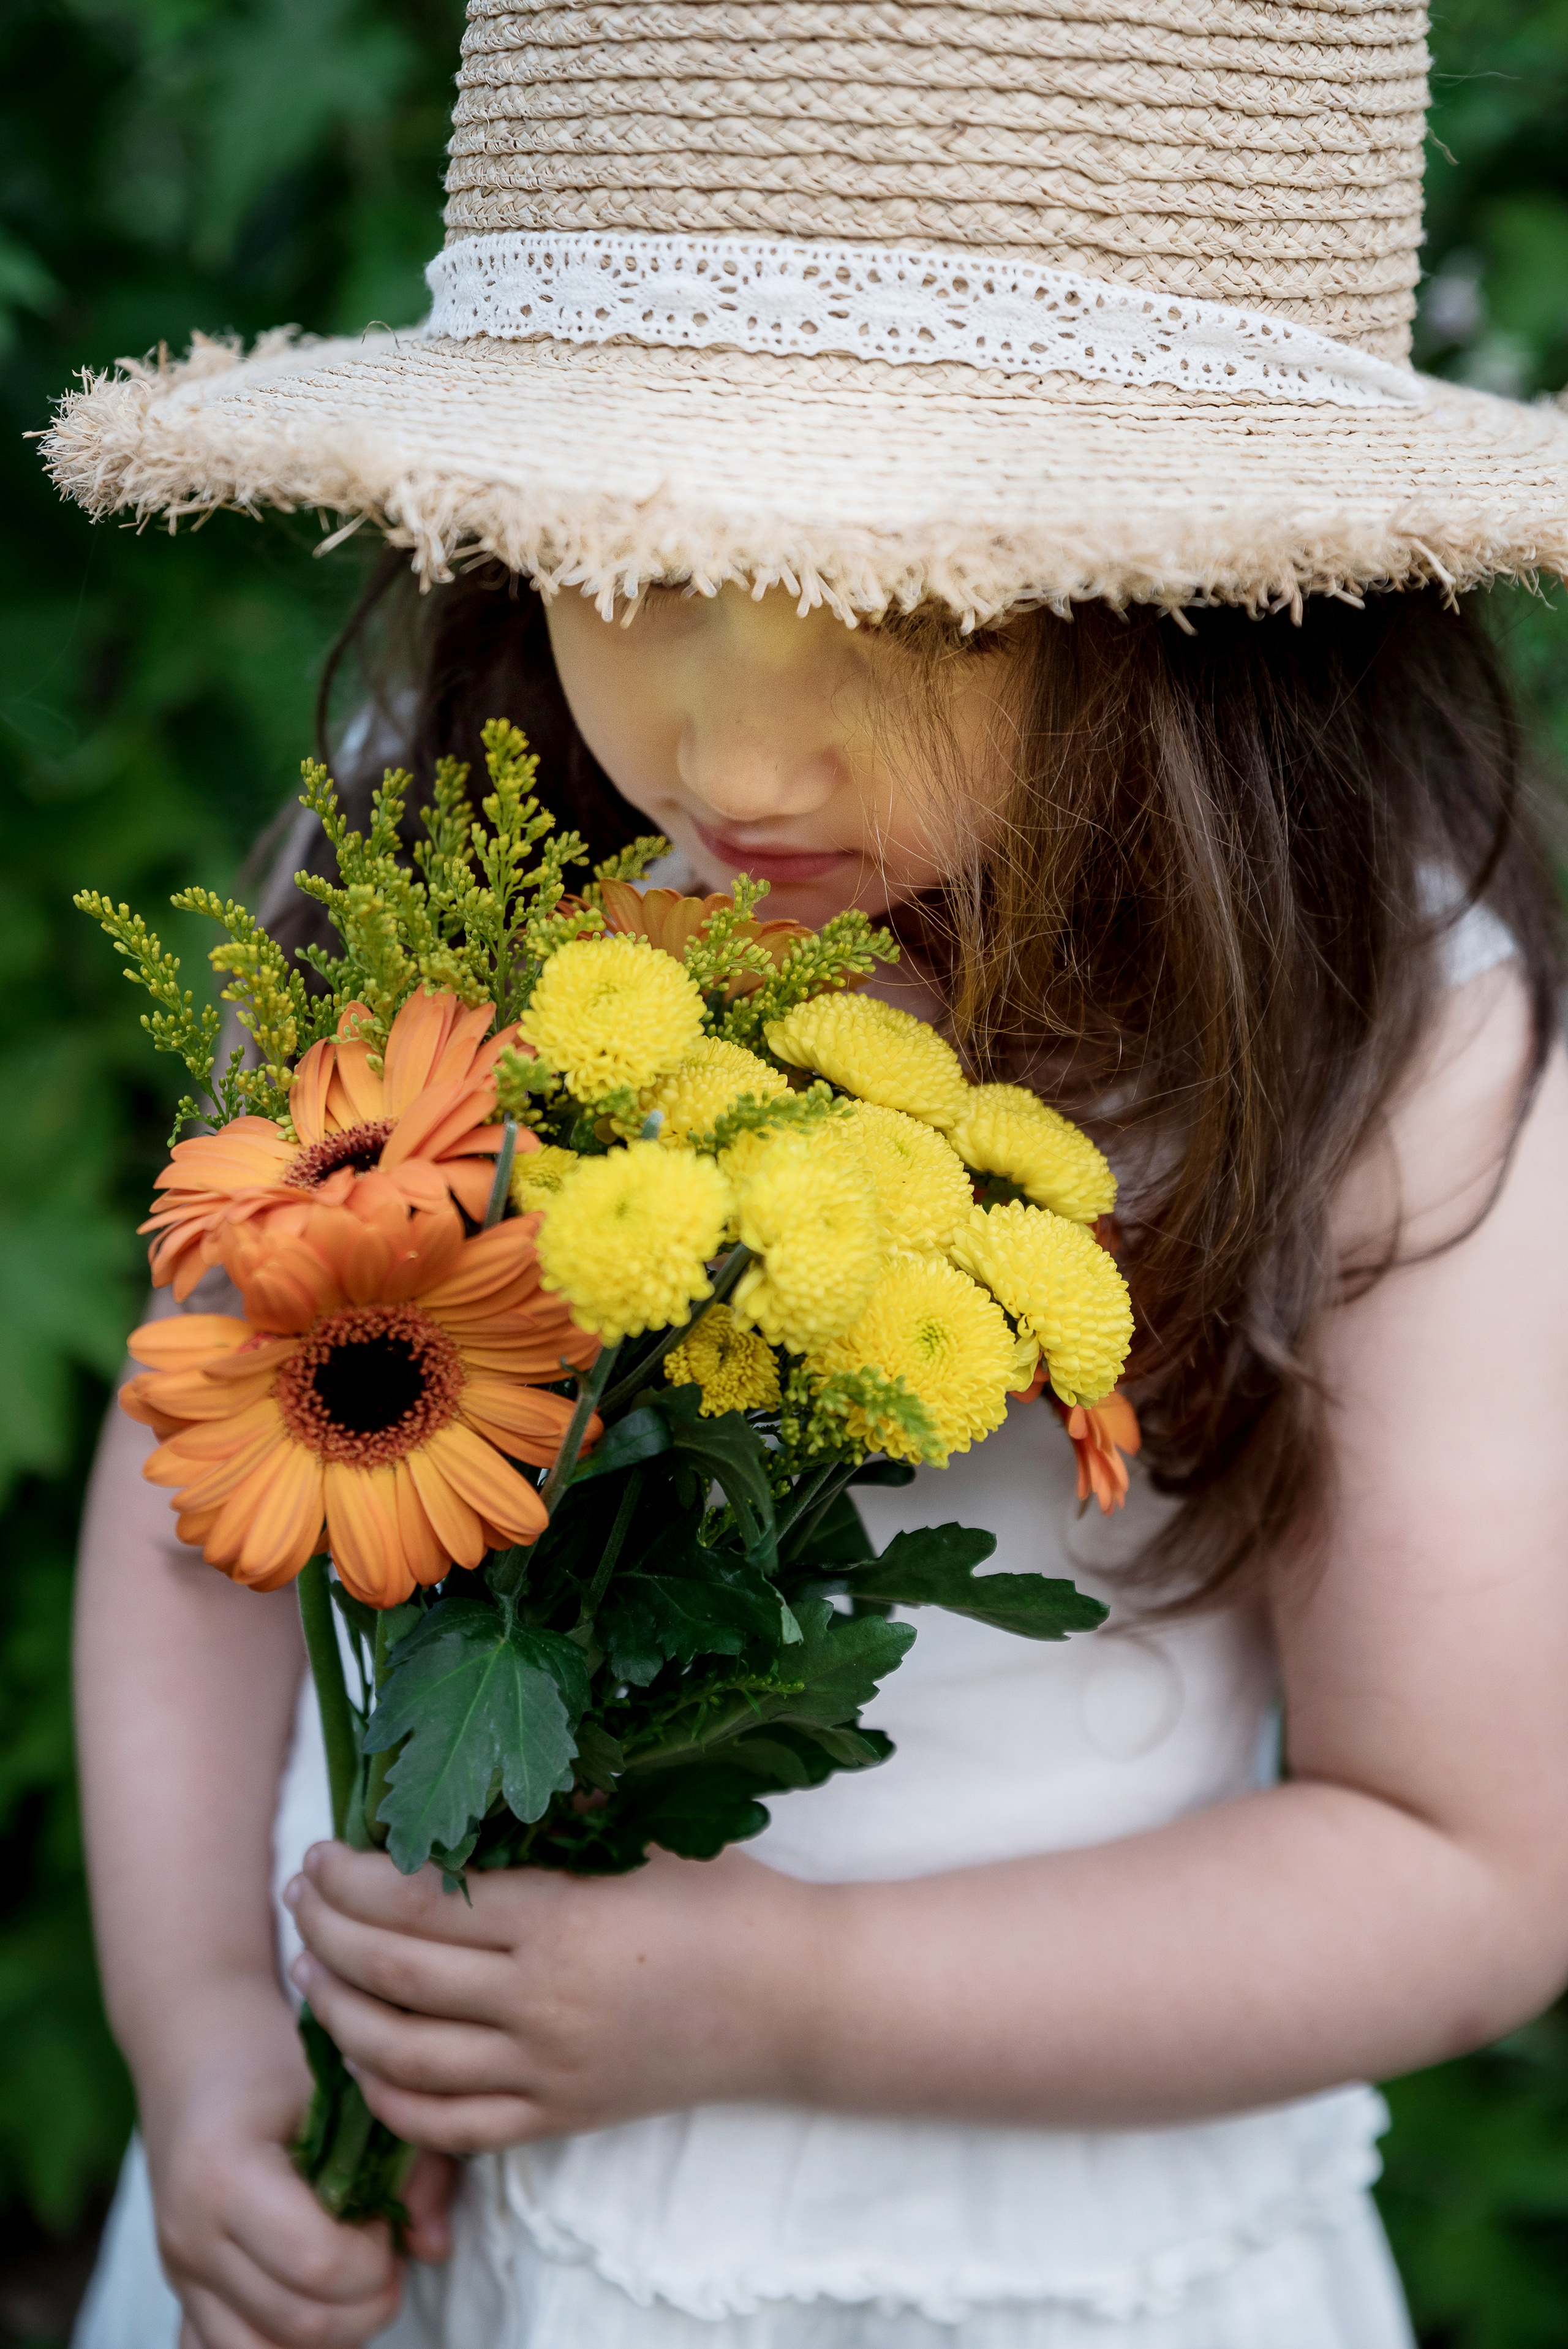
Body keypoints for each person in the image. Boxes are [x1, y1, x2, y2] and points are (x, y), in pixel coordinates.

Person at [47, 1, 1568, 2344]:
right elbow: (208, 1508)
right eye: (637, 565)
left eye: (929, 607)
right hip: (403, 2245)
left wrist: (793, 1991)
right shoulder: (461, 839)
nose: (735, 748)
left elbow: (1464, 1860)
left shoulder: (1389, 1034)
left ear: (1218, 613)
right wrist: (203, 2042)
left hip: (1000, 2261)